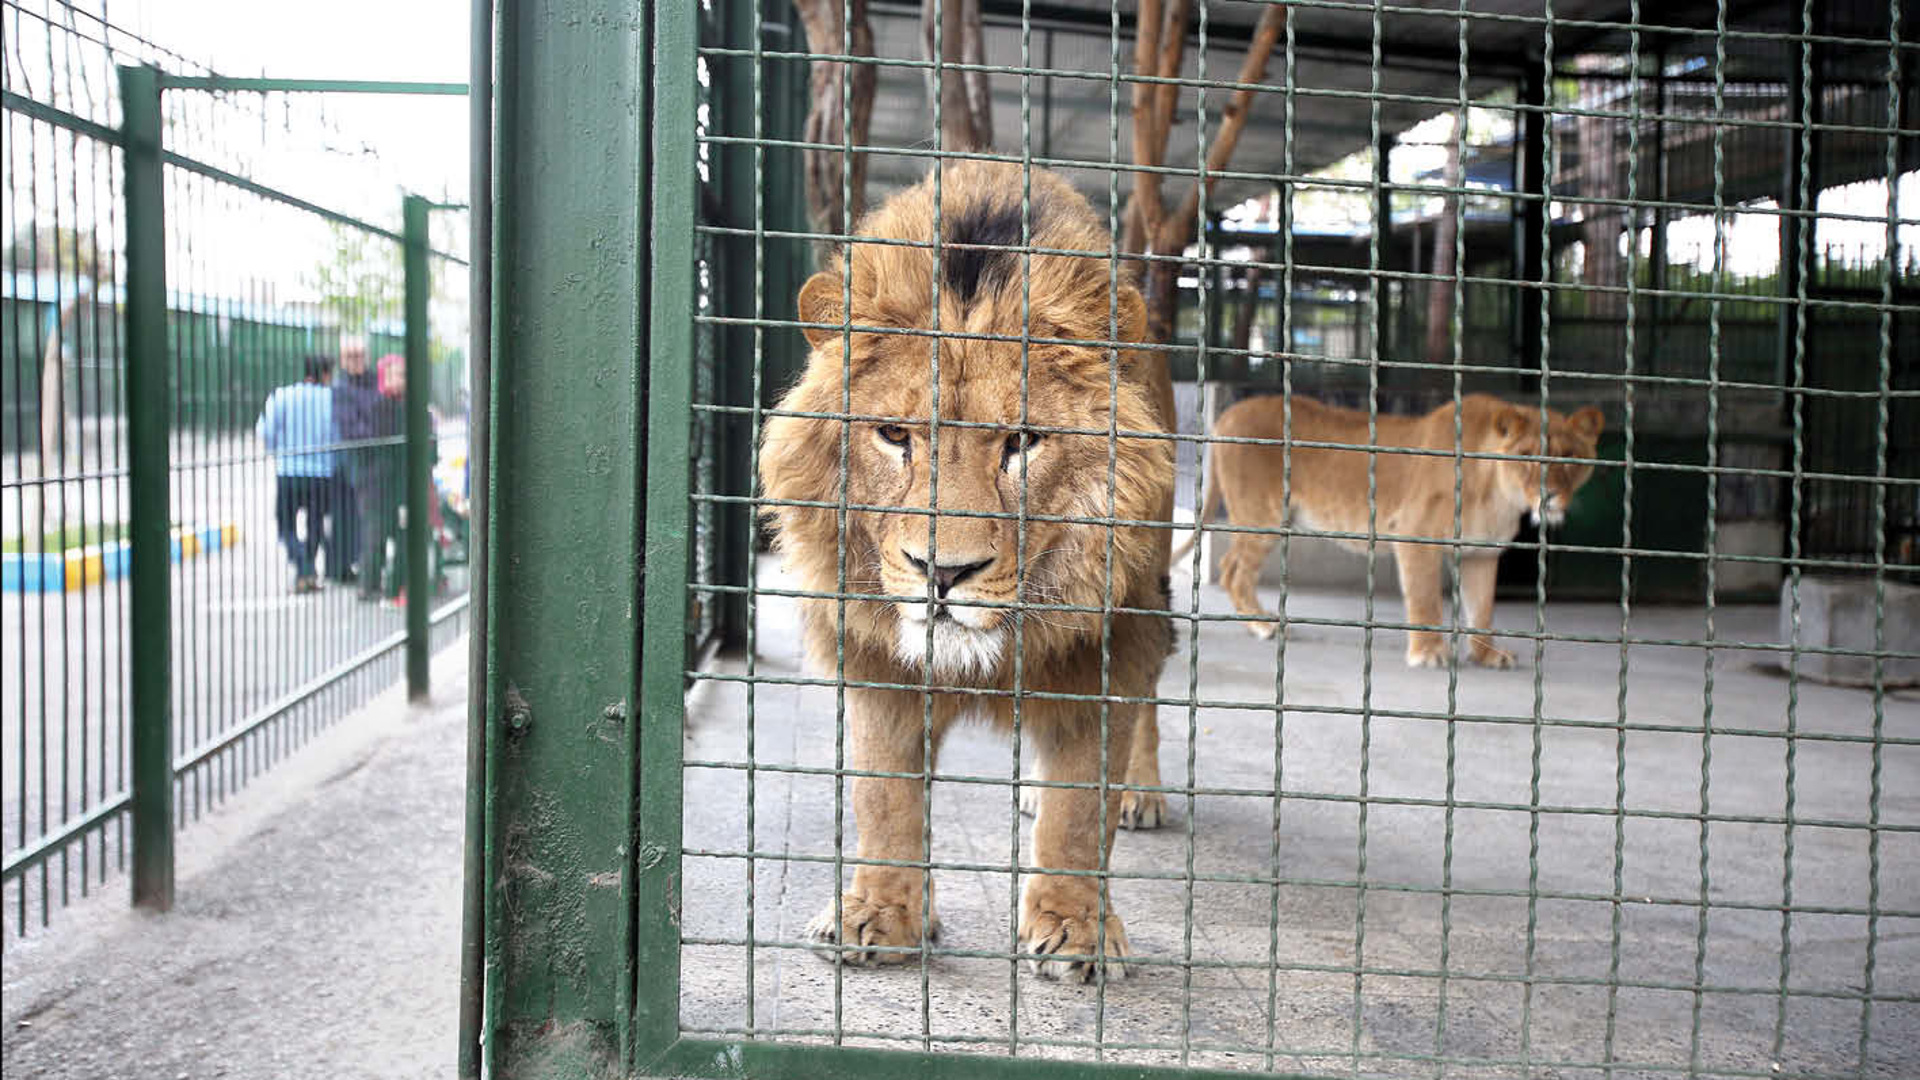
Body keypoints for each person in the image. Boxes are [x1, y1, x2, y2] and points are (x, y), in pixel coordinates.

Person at [257, 355, 336, 593]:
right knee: (315, 525)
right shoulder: (331, 399)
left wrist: (278, 452)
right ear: (325, 374)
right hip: (321, 473)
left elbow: (265, 430)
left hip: (289, 471)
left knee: (285, 526)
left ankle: (302, 567)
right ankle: (308, 571)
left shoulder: (281, 396)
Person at [335, 343, 405, 602]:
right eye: (351, 356)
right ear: (342, 359)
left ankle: (388, 583)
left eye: (360, 355)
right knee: (374, 531)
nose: (357, 360)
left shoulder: (375, 386)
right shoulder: (343, 390)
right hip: (368, 471)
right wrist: (378, 435)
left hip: (392, 471)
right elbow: (354, 432)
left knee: (393, 528)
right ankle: (368, 586)